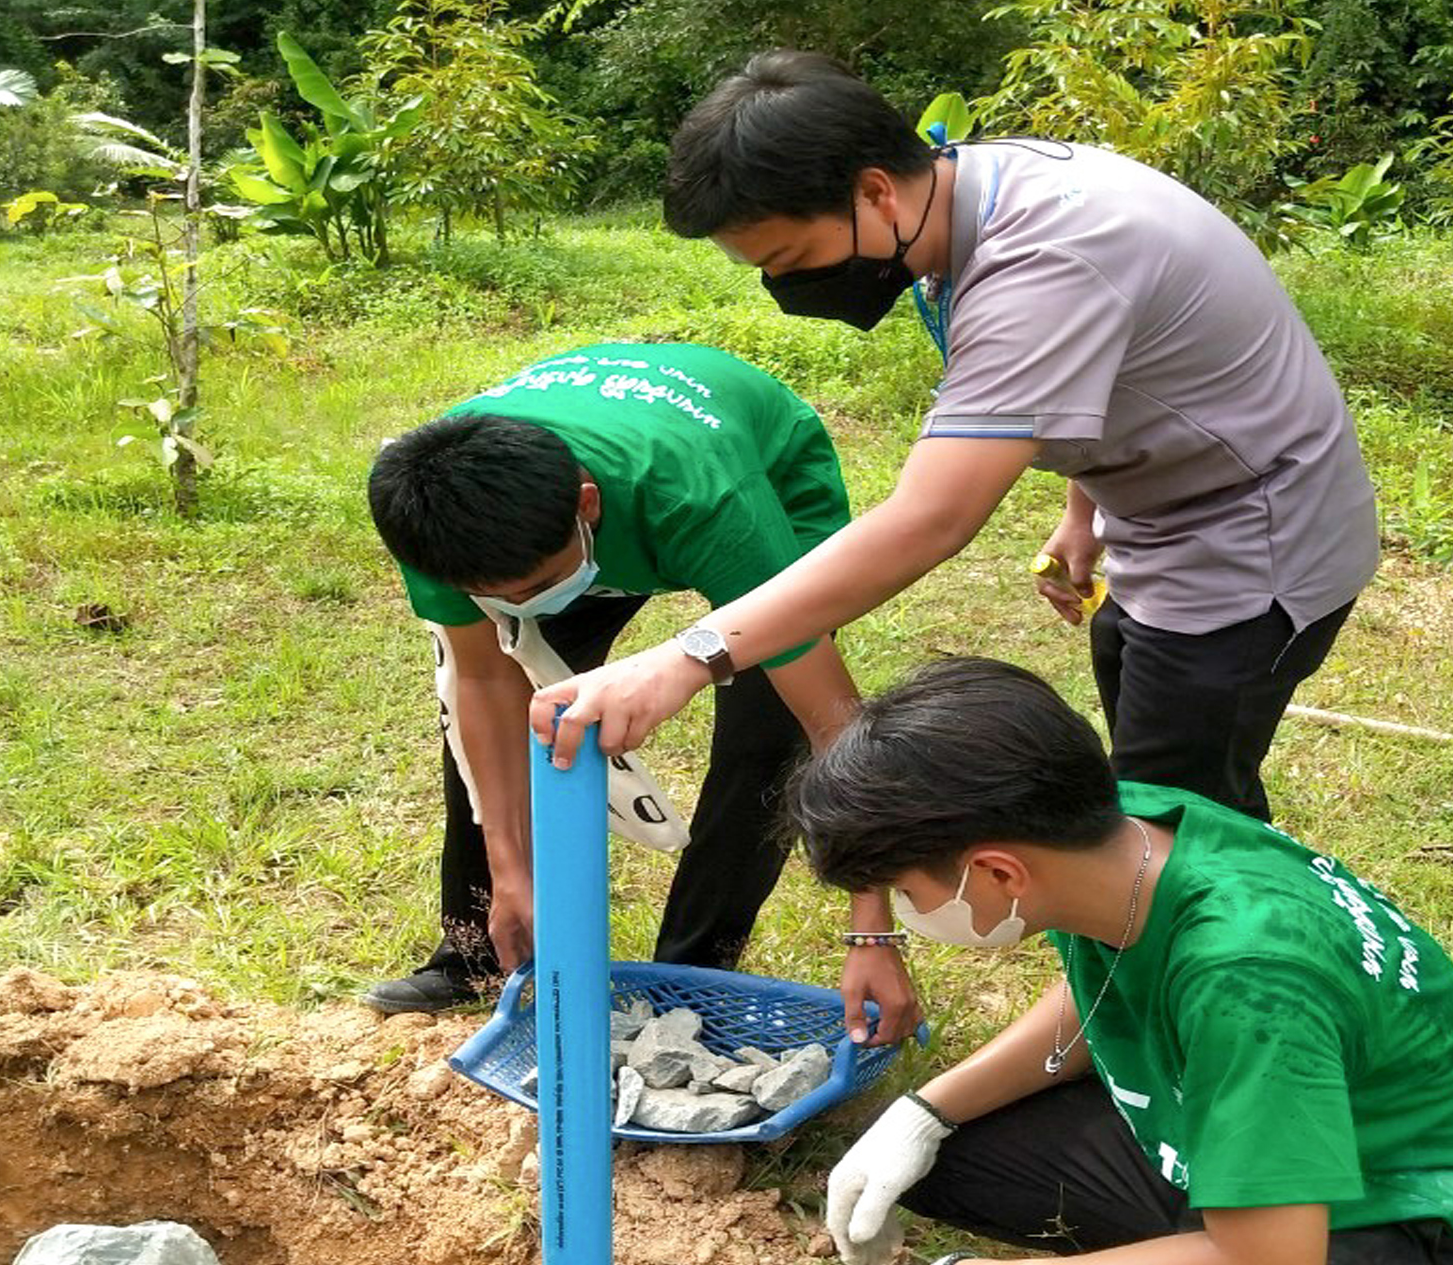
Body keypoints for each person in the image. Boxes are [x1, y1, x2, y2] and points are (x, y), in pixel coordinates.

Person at [529, 51, 1379, 829]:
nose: (783, 285)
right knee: (1172, 763)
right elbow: (1119, 360)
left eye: (791, 256)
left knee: (1169, 827)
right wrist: (1086, 509)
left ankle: (1213, 974)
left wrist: (689, 656)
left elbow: (929, 520)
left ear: (872, 192)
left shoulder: (1040, 263)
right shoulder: (973, 184)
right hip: (1167, 516)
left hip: (1253, 548)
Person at [783, 657, 1453, 1265]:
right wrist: (926, 1111)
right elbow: (1104, 984)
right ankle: (1197, 1244)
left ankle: (1211, 1259)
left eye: (911, 892)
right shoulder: (1126, 830)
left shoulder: (1246, 976)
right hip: (1242, 1130)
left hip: (1406, 1219)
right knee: (946, 1156)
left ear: (997, 870)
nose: (917, 913)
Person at [362, 341, 917, 1044]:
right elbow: (479, 681)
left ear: (587, 505)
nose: (519, 606)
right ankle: (478, 948)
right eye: (494, 598)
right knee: (503, 720)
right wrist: (510, 867)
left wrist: (871, 927)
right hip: (583, 512)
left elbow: (834, 727)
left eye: (533, 590)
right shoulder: (434, 513)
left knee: (766, 735)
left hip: (756, 471)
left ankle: (689, 976)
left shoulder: (705, 498)